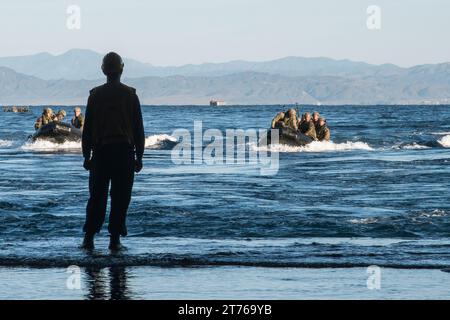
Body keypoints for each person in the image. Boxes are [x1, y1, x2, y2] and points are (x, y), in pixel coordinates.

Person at [81, 52, 145, 251]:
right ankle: (114, 240)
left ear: (103, 70)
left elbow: (88, 129)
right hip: (124, 153)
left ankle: (89, 239)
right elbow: (138, 129)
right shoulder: (131, 95)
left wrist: (86, 156)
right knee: (121, 197)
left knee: (97, 197)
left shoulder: (95, 96)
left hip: (101, 153)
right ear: (122, 69)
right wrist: (139, 157)